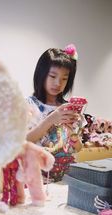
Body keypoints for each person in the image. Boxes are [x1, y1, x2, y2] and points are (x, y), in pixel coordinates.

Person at [27, 44, 83, 182]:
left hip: (66, 177)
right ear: (41, 75)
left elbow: (78, 148)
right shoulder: (28, 105)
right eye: (53, 76)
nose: (58, 83)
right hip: (37, 179)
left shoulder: (68, 108)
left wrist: (73, 134)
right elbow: (23, 141)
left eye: (64, 78)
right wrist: (51, 119)